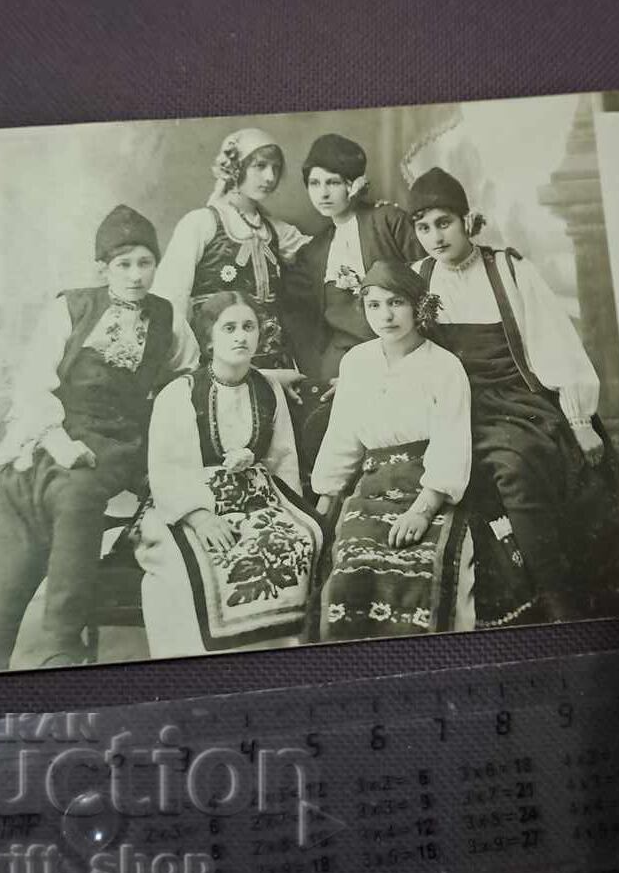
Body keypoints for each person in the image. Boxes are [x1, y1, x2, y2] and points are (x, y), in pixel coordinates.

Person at [0, 206, 200, 671]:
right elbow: (33, 382)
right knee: (16, 513)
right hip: (51, 430)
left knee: (78, 493)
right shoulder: (71, 308)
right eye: (123, 264)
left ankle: (61, 643)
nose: (135, 275)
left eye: (145, 263)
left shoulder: (166, 316)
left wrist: (166, 424)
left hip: (117, 438)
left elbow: (187, 374)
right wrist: (56, 442)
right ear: (102, 269)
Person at [408, 167, 619, 623]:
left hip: (516, 401)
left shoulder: (508, 269)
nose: (435, 237)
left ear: (466, 221)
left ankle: (560, 597)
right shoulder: (417, 278)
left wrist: (579, 420)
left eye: (444, 223)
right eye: (423, 227)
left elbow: (555, 343)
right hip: (452, 405)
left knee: (516, 463)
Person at [136, 291, 324, 657]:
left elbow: (282, 460)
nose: (241, 336)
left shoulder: (268, 388)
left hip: (259, 498)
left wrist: (288, 511)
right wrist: (200, 517)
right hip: (190, 503)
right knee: (199, 563)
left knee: (302, 541)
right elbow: (167, 470)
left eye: (249, 327)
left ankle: (281, 653)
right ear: (209, 338)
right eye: (229, 328)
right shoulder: (180, 394)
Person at [309, 259, 480, 641]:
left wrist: (423, 510)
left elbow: (452, 441)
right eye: (374, 305)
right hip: (371, 486)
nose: (385, 316)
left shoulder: (445, 366)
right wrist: (325, 502)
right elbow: (342, 436)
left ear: (419, 306)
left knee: (418, 570)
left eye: (396, 303)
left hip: (426, 487)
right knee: (350, 569)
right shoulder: (356, 362)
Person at [283, 133, 425, 464]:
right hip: (341, 359)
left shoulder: (387, 221)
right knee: (327, 429)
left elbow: (427, 283)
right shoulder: (314, 251)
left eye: (333, 182)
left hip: (397, 349)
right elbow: (303, 321)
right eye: (315, 183)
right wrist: (327, 372)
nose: (323, 193)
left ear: (354, 184)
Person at [151, 127, 310, 371]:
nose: (270, 177)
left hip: (272, 360)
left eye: (276, 168)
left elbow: (323, 252)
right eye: (260, 166)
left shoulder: (274, 230)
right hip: (216, 360)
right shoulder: (201, 223)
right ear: (236, 168)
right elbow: (171, 297)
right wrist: (185, 365)